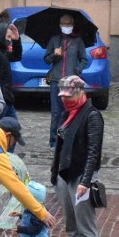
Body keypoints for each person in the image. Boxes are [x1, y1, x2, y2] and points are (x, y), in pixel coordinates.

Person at [48, 75, 104, 237]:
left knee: (86, 227)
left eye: (69, 96)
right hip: (64, 175)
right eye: (63, 96)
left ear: (81, 93)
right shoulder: (67, 114)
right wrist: (55, 175)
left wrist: (86, 181)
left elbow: (93, 152)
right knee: (71, 225)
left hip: (81, 178)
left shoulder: (92, 116)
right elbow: (59, 148)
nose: (65, 100)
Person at [44, 14, 89, 148]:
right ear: (60, 25)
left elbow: (84, 59)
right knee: (56, 113)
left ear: (73, 25)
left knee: (71, 112)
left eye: (69, 24)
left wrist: (77, 70)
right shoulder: (54, 40)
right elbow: (46, 60)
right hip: (56, 80)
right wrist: (54, 54)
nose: (66, 26)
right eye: (64, 24)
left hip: (70, 82)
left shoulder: (77, 41)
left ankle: (69, 139)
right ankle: (54, 141)